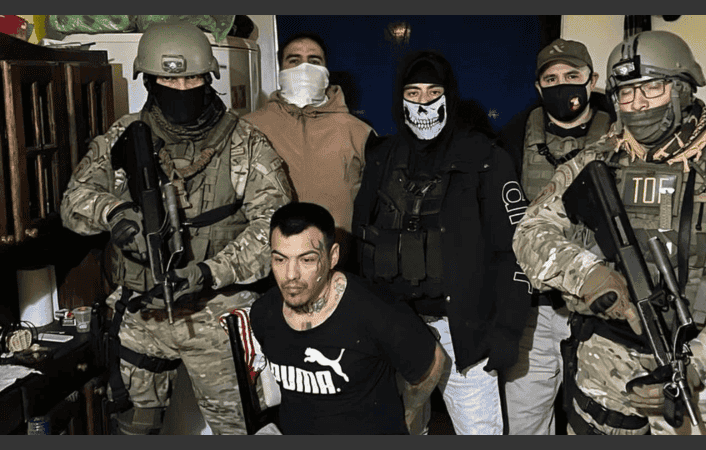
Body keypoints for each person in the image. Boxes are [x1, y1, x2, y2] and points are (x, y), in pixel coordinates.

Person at [512, 30, 706, 435]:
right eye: (627, 93)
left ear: (682, 88)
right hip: (606, 364)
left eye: (652, 87)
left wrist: (697, 364)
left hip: (703, 372)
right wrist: (588, 275)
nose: (638, 103)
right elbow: (531, 231)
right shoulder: (601, 158)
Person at [60, 21, 292, 435]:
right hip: (140, 313)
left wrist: (209, 272)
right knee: (134, 428)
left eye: (191, 78)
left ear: (209, 79)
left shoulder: (246, 143)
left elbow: (274, 230)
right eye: (169, 79)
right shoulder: (123, 136)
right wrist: (113, 213)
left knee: (242, 429)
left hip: (216, 314)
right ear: (149, 80)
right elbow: (73, 203)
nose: (181, 88)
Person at [352, 49, 530, 435]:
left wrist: (508, 329)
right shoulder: (381, 158)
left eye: (433, 93)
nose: (424, 103)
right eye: (413, 93)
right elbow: (360, 242)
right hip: (393, 327)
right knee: (400, 429)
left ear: (450, 95)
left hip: (463, 330)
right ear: (400, 98)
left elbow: (514, 250)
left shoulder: (486, 157)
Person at [249, 202, 446, 434]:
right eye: (280, 260)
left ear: (332, 256)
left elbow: (432, 363)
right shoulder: (264, 313)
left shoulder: (375, 309)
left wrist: (408, 417)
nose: (291, 275)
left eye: (307, 260)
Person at [499, 38, 611, 435]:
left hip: (601, 306)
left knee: (596, 421)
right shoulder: (511, 139)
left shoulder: (621, 135)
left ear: (591, 80)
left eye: (571, 75)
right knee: (525, 422)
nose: (562, 85)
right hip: (535, 308)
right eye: (551, 79)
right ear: (538, 86)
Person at [243, 32, 375, 270]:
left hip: (339, 265)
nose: (304, 69)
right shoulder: (250, 128)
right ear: (280, 69)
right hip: (270, 269)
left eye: (314, 61)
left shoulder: (358, 132)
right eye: (294, 60)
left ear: (326, 71)